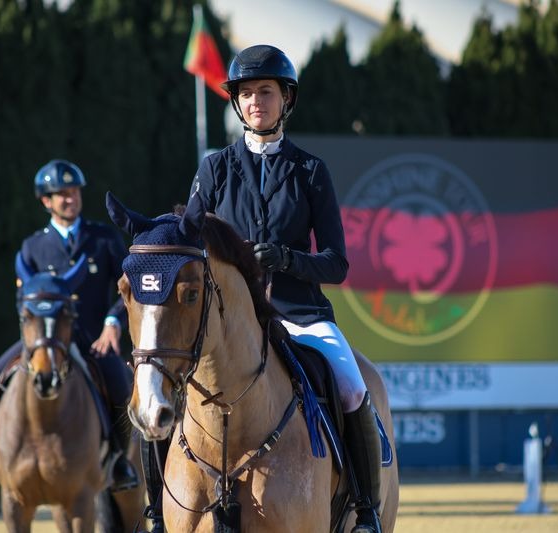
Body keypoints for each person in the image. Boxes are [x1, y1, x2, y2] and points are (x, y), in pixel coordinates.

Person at [142, 45, 383, 533]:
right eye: (247, 93)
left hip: (302, 314)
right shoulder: (214, 169)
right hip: (229, 323)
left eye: (266, 92)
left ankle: (365, 508)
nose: (256, 101)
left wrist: (288, 258)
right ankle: (158, 509)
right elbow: (190, 236)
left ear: (285, 99)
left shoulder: (312, 172)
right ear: (236, 103)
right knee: (162, 390)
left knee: (353, 386)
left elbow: (337, 263)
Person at [0, 159, 138, 492]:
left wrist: (113, 321)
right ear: (46, 201)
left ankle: (118, 462)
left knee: (120, 385)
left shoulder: (102, 239)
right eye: (61, 194)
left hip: (91, 338)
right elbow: (22, 304)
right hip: (42, 341)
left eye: (74, 192)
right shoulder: (32, 247)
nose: (70, 199)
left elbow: (126, 285)